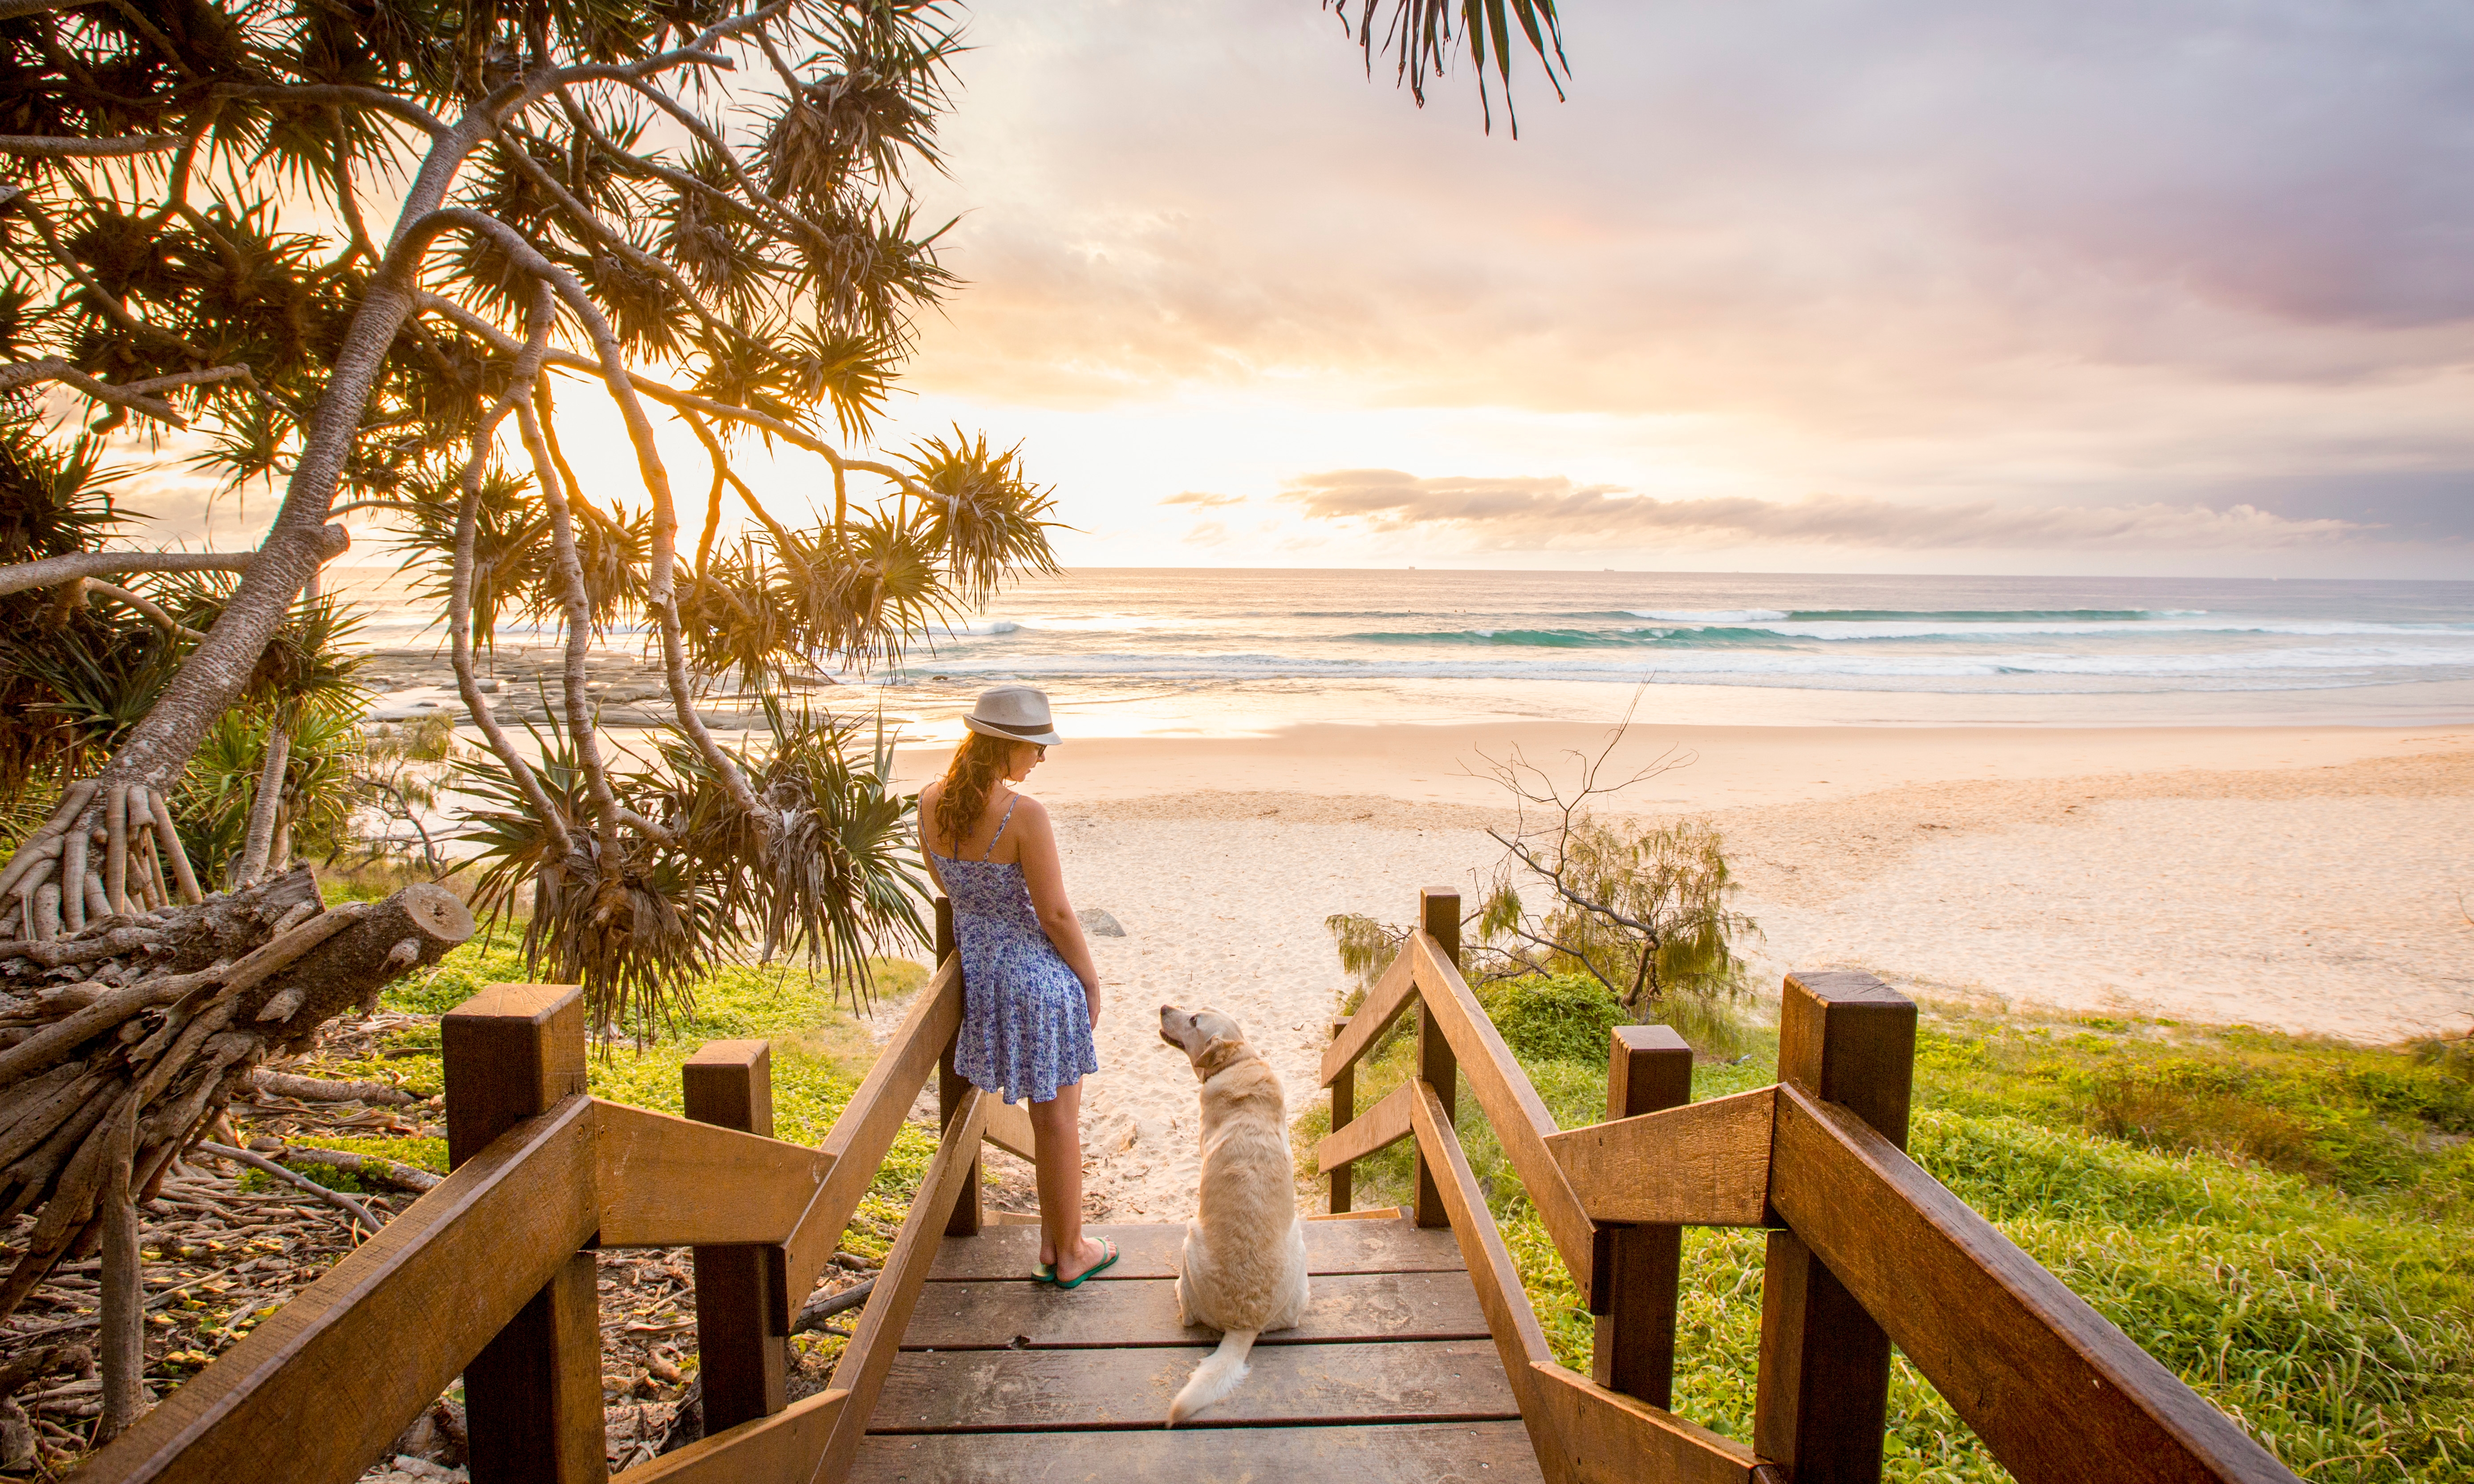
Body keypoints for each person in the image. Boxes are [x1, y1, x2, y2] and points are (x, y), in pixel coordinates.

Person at [918, 685, 1114, 1286]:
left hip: (987, 976)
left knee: (1048, 1121)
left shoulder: (928, 802)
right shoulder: (1023, 815)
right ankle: (1070, 1250)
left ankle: (1056, 1249)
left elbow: (952, 891)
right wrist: (1089, 980)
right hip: (1037, 978)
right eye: (1036, 747)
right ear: (1006, 746)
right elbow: (1054, 914)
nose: (1041, 759)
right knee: (1057, 1123)